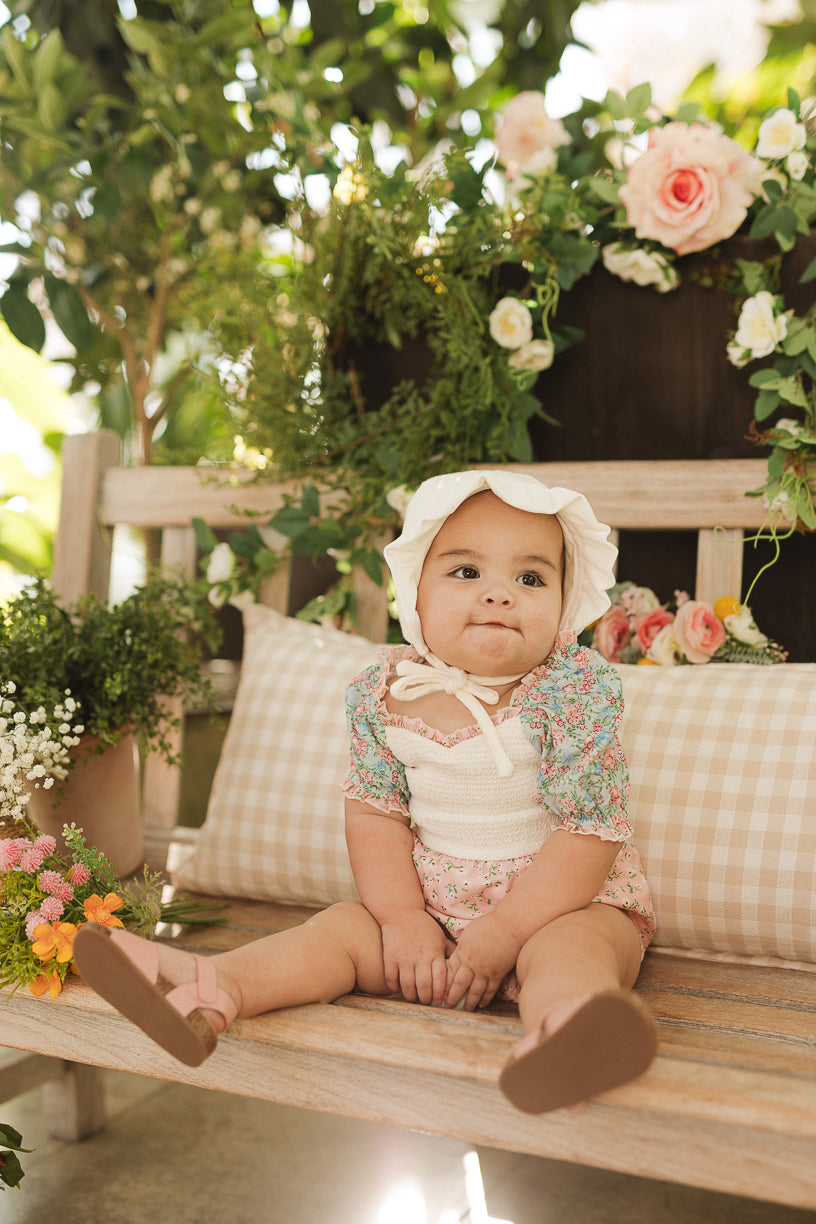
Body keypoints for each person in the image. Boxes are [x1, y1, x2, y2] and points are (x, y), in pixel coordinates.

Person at [74, 470, 657, 1114]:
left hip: (556, 907)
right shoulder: (388, 693)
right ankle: (214, 989)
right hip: (429, 922)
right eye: (466, 573)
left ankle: (569, 1032)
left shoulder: (569, 691)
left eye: (530, 578)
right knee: (340, 932)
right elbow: (376, 818)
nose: (499, 596)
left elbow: (591, 831)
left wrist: (509, 930)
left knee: (575, 950)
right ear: (416, 594)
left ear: (566, 604)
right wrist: (404, 921)